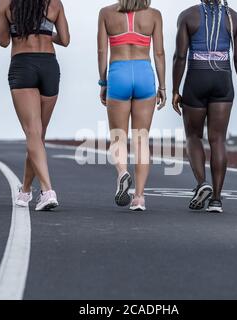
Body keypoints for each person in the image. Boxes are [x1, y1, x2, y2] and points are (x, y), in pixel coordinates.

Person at [172, 0, 237, 213]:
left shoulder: (188, 16)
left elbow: (180, 56)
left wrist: (175, 89)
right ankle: (216, 200)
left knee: (193, 136)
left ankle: (202, 183)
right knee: (218, 140)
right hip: (223, 79)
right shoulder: (234, 18)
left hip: (196, 79)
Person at [0, 0, 70, 211]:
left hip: (22, 65)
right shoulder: (54, 3)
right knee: (38, 135)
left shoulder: (7, 3)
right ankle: (25, 191)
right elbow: (65, 39)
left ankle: (47, 191)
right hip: (49, 66)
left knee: (33, 134)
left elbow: (3, 40)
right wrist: (43, 33)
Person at [98, 0, 166, 212]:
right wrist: (162, 86)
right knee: (141, 139)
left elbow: (102, 51)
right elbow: (160, 53)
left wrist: (103, 83)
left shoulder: (106, 13)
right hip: (144, 73)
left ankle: (122, 173)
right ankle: (139, 197)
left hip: (119, 73)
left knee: (118, 136)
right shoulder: (154, 15)